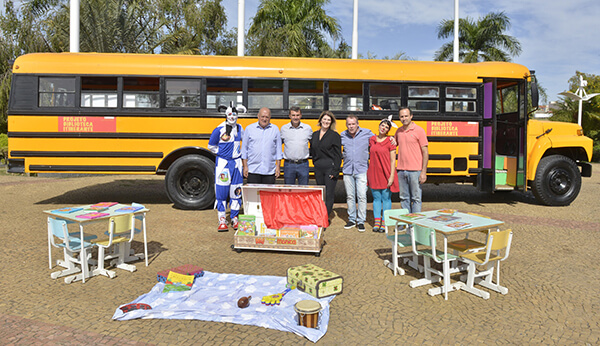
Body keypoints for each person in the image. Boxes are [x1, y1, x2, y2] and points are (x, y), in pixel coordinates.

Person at [208, 103, 245, 232]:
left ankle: (235, 218)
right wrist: (222, 154)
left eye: (235, 114)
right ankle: (222, 219)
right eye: (230, 114)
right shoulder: (219, 129)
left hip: (236, 164)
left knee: (236, 192)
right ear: (225, 115)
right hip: (223, 164)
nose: (232, 117)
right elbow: (211, 146)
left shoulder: (240, 128)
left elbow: (244, 144)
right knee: (222, 192)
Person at [340, 115, 373, 232]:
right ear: (346, 125)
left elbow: (379, 140)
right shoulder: (343, 135)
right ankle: (352, 219)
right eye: (349, 124)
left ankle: (361, 221)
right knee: (350, 196)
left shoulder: (367, 133)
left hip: (362, 169)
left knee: (362, 196)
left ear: (357, 124)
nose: (351, 126)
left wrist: (391, 139)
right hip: (348, 170)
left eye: (353, 124)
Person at [367, 118, 399, 232]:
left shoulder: (390, 141)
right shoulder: (372, 139)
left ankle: (385, 222)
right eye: (382, 125)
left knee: (386, 198)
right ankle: (376, 222)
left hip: (386, 172)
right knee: (376, 198)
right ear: (379, 126)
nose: (383, 128)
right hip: (374, 172)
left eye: (386, 127)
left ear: (388, 130)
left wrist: (391, 176)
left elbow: (392, 160)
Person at [395, 107, 429, 213]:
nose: (404, 118)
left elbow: (425, 152)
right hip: (401, 170)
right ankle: (406, 222)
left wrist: (423, 172)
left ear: (411, 116)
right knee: (404, 198)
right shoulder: (398, 131)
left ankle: (415, 224)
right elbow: (392, 145)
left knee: (416, 199)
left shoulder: (419, 131)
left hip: (415, 171)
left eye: (406, 116)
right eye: (402, 116)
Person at [310, 111, 342, 220]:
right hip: (318, 168)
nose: (326, 121)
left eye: (328, 120)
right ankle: (319, 214)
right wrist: (316, 163)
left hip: (330, 168)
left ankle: (325, 218)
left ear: (331, 122)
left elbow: (338, 155)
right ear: (320, 120)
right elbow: (312, 151)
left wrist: (335, 170)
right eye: (324, 119)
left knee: (328, 194)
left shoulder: (334, 136)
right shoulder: (314, 135)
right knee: (321, 193)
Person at [241, 107, 283, 184]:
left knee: (268, 195)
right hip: (253, 170)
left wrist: (278, 167)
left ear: (270, 117)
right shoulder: (249, 129)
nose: (264, 119)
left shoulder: (275, 129)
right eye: (262, 116)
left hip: (269, 171)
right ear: (258, 116)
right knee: (253, 195)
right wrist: (245, 166)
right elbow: (244, 150)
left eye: (267, 117)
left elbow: (278, 150)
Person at [280, 106, 312, 185]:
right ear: (289, 116)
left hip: (303, 164)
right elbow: (277, 145)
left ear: (301, 115)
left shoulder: (307, 128)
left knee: (303, 190)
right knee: (289, 190)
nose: (295, 117)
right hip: (289, 164)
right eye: (293, 115)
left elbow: (314, 144)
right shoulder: (284, 129)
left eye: (297, 115)